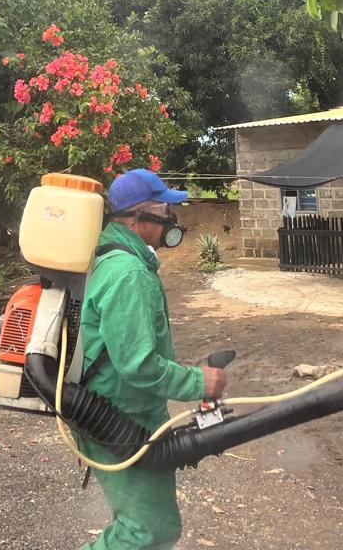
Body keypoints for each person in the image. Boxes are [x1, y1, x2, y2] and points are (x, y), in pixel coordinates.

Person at [77, 169, 229, 550]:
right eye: (165, 210)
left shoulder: (113, 257)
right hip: (118, 415)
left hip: (118, 411)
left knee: (142, 524)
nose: (170, 221)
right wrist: (199, 382)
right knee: (147, 530)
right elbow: (138, 364)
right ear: (140, 218)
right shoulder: (129, 273)